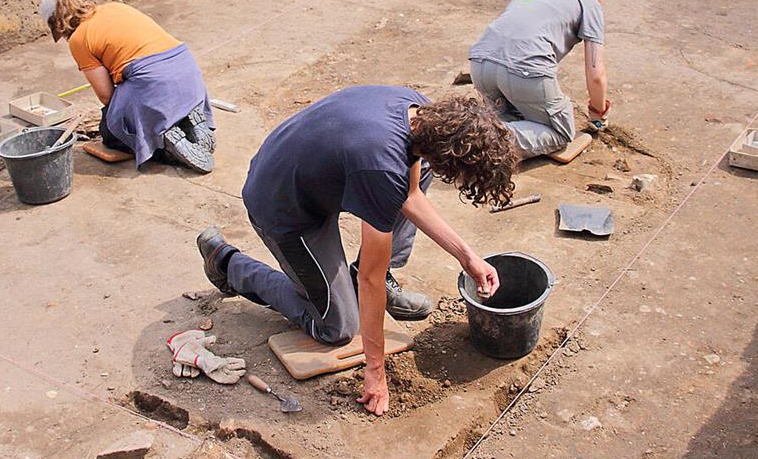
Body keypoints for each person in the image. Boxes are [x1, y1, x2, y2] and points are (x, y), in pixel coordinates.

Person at [196, 87, 517, 415]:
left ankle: (348, 278)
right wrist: (375, 371)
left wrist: (467, 258)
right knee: (337, 328)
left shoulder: (419, 112)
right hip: (281, 204)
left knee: (415, 179)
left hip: (313, 174)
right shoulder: (381, 167)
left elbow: (410, 196)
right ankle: (227, 263)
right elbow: (370, 279)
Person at [39, 0, 215, 172]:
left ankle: (164, 144)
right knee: (145, 97)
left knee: (110, 129)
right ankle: (184, 119)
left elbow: (106, 96)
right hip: (187, 70)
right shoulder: (114, 7)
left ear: (57, 24)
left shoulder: (78, 39)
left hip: (153, 81)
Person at [468, 0, 610, 161]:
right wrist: (598, 111)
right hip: (524, 71)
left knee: (512, 116)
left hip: (481, 63)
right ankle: (482, 144)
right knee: (560, 132)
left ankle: (472, 132)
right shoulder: (588, 1)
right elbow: (596, 74)